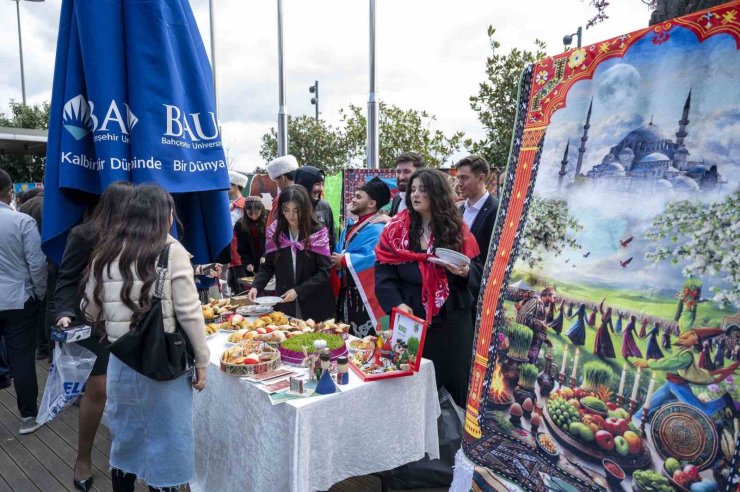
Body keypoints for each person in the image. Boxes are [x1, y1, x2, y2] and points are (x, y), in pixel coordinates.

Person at [81, 184, 209, 491]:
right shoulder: (170, 250)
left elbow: (89, 310)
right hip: (161, 362)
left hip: (120, 362)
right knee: (167, 441)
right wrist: (202, 360)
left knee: (126, 438)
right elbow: (190, 312)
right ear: (163, 215)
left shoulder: (105, 251)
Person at [375, 168, 481, 407]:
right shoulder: (395, 230)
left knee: (454, 381)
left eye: (423, 190)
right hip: (413, 318)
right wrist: (398, 304)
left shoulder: (457, 229)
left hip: (453, 320)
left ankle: (453, 438)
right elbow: (383, 273)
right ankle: (417, 438)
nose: (415, 195)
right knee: (413, 382)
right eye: (412, 190)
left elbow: (477, 269)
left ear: (437, 193)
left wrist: (464, 272)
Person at [54, 181, 134, 491]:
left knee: (128, 387)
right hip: (93, 322)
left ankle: (128, 456)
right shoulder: (84, 234)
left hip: (129, 322)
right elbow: (66, 278)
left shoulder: (137, 235)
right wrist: (63, 312)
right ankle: (83, 457)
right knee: (98, 387)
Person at [0, 169, 47, 434]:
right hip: (19, 299)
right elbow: (37, 264)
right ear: (9, 192)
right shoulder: (22, 222)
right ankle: (28, 416)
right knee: (22, 359)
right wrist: (39, 294)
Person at [248, 185, 334, 321]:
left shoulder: (317, 232)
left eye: (296, 210)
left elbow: (324, 271)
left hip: (315, 301)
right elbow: (268, 266)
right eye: (286, 210)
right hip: (285, 301)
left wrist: (298, 291)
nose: (291, 216)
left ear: (305, 209)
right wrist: (256, 286)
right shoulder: (276, 232)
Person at [633, 328, 739, 420]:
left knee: (703, 410)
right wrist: (688, 309)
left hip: (679, 386)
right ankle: (635, 419)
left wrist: (649, 363)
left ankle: (725, 399)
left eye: (692, 335)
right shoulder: (681, 347)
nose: (685, 335)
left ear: (696, 342)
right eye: (688, 333)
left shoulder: (686, 356)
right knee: (651, 403)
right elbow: (685, 325)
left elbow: (670, 363)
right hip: (671, 383)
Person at [332, 177, 390, 337]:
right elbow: (340, 248)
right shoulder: (352, 226)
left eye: (358, 197)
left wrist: (343, 260)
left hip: (364, 298)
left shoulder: (378, 229)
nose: (353, 200)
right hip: (346, 294)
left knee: (364, 344)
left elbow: (374, 257)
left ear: (371, 203)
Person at [18, 186, 53, 360]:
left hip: (26, 263)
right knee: (48, 305)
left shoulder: (25, 206)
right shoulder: (52, 204)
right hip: (47, 260)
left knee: (41, 307)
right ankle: (48, 347)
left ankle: (41, 347)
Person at [456, 155, 499, 255]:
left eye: (464, 178)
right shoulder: (459, 210)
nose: (459, 183)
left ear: (481, 178)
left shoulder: (497, 211)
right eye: (458, 178)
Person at [294, 165, 335, 248]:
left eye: (322, 184)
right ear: (304, 185)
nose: (321, 188)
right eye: (317, 184)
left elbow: (332, 238)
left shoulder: (325, 206)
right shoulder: (289, 207)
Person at [516, 287, 555, 363]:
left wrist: (546, 339)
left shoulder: (540, 305)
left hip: (531, 347)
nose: (553, 300)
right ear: (547, 295)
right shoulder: (534, 301)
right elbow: (523, 318)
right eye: (553, 297)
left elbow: (537, 329)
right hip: (523, 346)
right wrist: (540, 323)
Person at [233, 196, 267, 279]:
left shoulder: (267, 221)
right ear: (245, 211)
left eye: (256, 213)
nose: (254, 216)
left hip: (267, 261)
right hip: (251, 262)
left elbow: (271, 242)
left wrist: (265, 255)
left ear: (261, 210)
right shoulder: (239, 225)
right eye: (250, 213)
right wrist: (247, 263)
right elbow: (241, 248)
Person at [266, 154, 299, 226]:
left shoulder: (283, 198)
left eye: (277, 180)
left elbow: (274, 225)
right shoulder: (303, 194)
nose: (277, 184)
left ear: (282, 178)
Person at [389, 152, 425, 216]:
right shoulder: (397, 199)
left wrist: (392, 221)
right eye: (398, 172)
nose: (401, 177)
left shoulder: (425, 200)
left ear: (419, 173)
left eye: (406, 172)